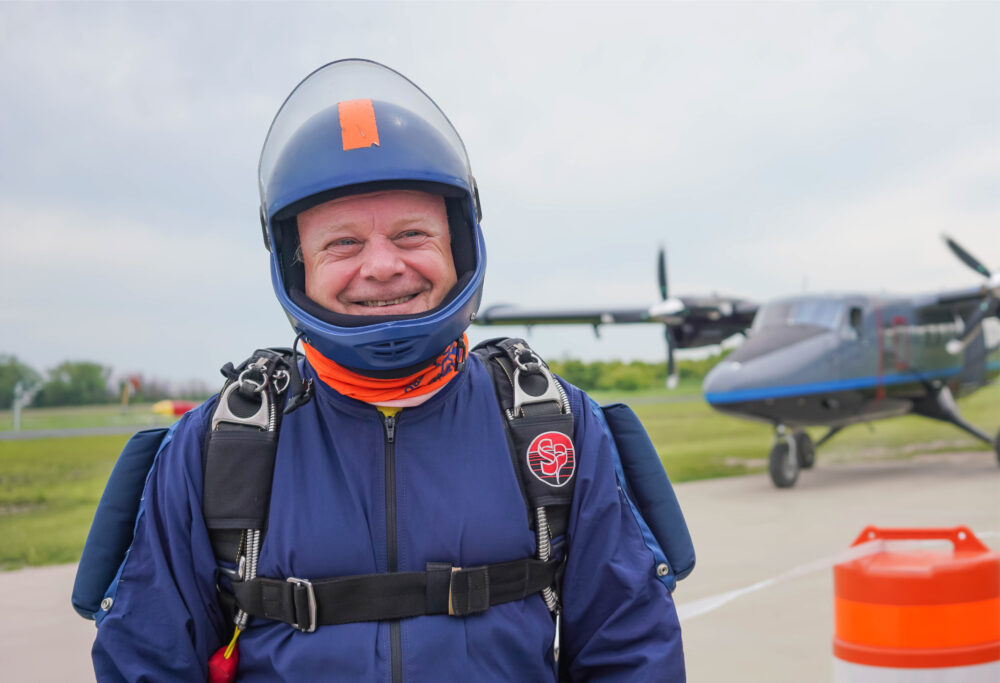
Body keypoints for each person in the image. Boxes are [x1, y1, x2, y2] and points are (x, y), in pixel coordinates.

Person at [91, 59, 684, 682]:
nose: (381, 266)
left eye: (410, 234)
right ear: (298, 267)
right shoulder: (219, 448)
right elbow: (146, 661)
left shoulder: (554, 429)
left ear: (458, 246)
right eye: (342, 243)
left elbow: (631, 652)